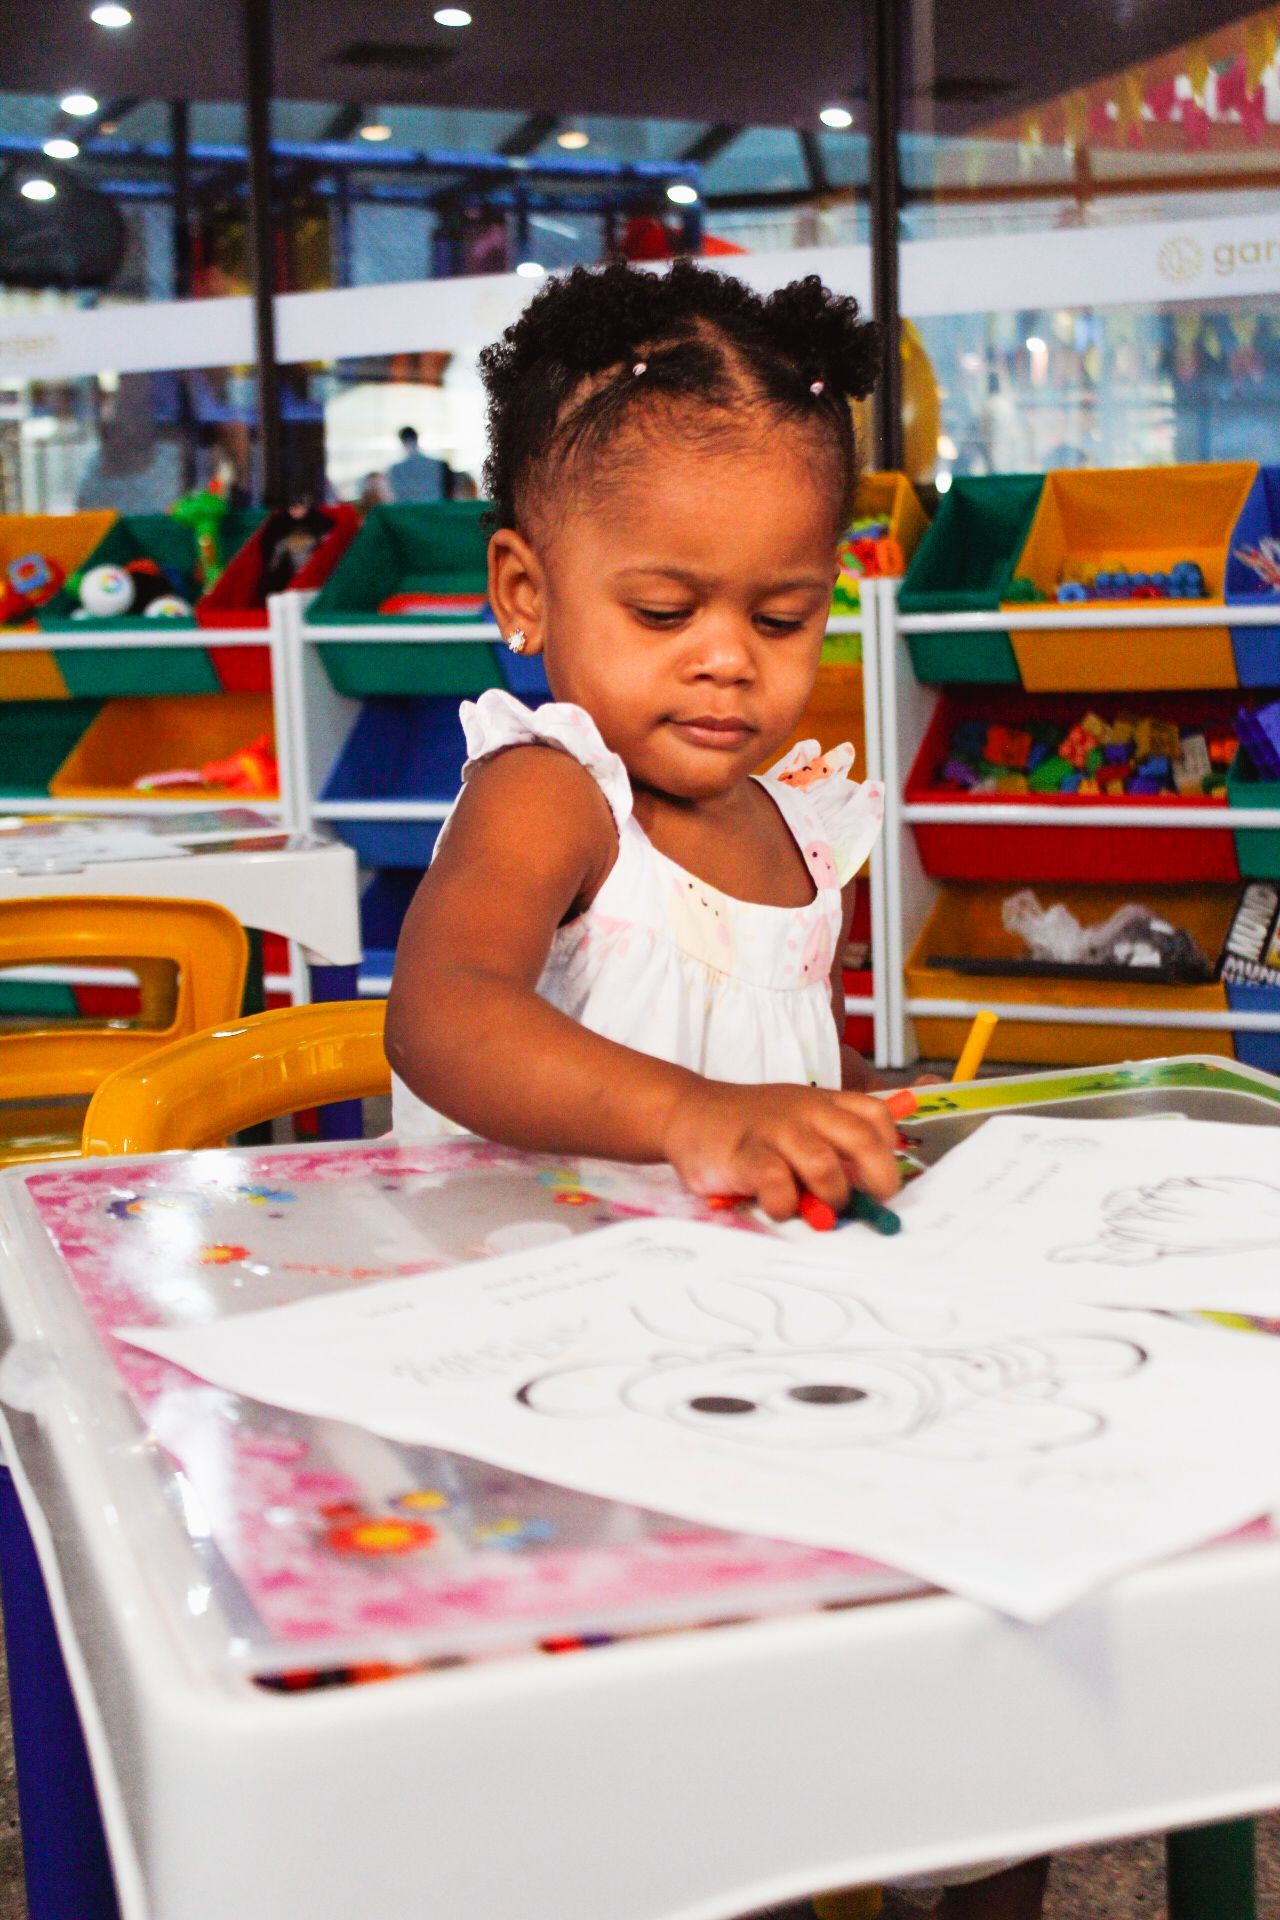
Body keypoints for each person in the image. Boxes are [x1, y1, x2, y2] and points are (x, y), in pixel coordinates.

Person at [385, 255, 1046, 1920]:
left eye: (782, 614)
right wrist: (696, 1114)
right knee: (670, 1790)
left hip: (745, 1361)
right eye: (666, 611)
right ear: (528, 590)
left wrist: (844, 1115)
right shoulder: (555, 790)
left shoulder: (791, 817)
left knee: (1006, 1654)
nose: (729, 664)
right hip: (541, 1387)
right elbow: (443, 1015)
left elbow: (773, 1059)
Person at [386, 425, 445, 503]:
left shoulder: (396, 469)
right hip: (433, 507)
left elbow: (395, 492)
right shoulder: (437, 465)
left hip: (409, 508)